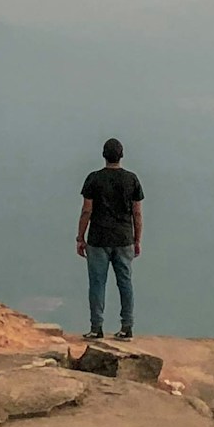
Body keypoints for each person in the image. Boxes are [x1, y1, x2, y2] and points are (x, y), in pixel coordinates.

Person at [76, 137, 144, 340]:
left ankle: (96, 328)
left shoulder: (93, 179)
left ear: (104, 155)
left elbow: (87, 210)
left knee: (97, 283)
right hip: (124, 238)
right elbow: (137, 214)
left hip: (98, 238)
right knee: (125, 282)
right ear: (121, 156)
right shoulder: (131, 179)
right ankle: (127, 327)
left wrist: (80, 237)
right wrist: (137, 239)